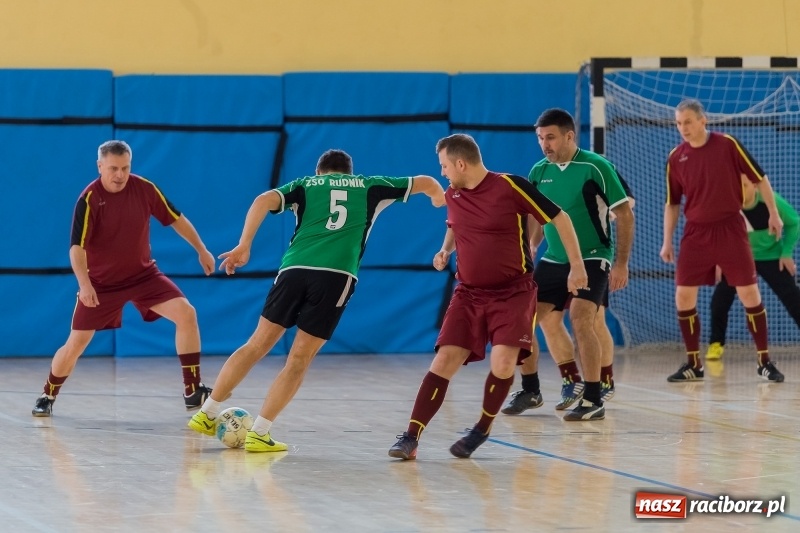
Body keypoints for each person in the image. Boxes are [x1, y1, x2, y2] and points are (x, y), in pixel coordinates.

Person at [188, 149, 445, 452]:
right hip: (335, 276)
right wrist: (440, 198)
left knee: (256, 343)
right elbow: (427, 181)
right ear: (349, 172)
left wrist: (244, 245)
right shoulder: (370, 186)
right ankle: (260, 433)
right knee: (299, 359)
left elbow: (262, 200)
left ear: (319, 171)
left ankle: (207, 413)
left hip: (293, 270)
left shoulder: (305, 185)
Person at [387, 133, 588, 461]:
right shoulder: (454, 192)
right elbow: (454, 223)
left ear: (461, 163)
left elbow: (560, 217)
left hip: (513, 293)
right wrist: (444, 249)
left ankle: (481, 428)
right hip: (468, 294)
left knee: (504, 361)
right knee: (443, 360)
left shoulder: (511, 186)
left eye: (444, 166)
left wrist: (577, 266)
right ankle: (411, 435)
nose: (443, 173)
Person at [32, 140, 217, 417]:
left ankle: (192, 390)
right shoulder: (89, 199)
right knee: (76, 344)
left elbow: (176, 218)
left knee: (186, 313)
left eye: (125, 168)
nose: (120, 175)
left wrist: (201, 249)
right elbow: (76, 247)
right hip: (101, 284)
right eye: (114, 169)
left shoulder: (144, 188)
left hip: (143, 276)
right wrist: (85, 284)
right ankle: (48, 394)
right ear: (100, 166)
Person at [503, 109, 633, 423]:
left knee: (581, 318)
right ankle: (531, 389)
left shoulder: (595, 167)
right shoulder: (538, 170)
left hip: (593, 256)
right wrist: (532, 246)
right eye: (540, 138)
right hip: (554, 258)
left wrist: (621, 264)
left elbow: (625, 214)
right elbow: (536, 214)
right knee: (522, 320)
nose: (544, 144)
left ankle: (592, 396)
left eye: (550, 137)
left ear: (569, 136)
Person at [661, 99, 785, 383]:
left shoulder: (728, 144)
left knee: (750, 294)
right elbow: (672, 203)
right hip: (695, 233)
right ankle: (694, 364)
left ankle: (764, 361)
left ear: (703, 120)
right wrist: (667, 241)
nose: (683, 128)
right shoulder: (675, 157)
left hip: (730, 228)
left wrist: (774, 215)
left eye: (688, 122)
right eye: (679, 123)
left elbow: (761, 178)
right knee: (683, 296)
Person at [706, 177, 800, 360]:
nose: (740, 190)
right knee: (719, 301)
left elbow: (794, 222)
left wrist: (786, 253)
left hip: (771, 255)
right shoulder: (728, 204)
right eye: (736, 185)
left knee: (793, 297)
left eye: (745, 185)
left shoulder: (772, 201)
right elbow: (718, 231)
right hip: (738, 258)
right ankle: (716, 343)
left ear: (756, 186)